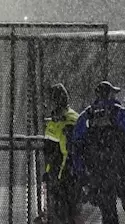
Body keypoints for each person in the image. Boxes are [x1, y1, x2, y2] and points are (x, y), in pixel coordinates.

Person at [72, 81, 125, 224]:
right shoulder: (117, 112)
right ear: (109, 94)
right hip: (122, 170)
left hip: (99, 174)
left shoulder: (87, 116)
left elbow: (76, 145)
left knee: (108, 214)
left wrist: (82, 173)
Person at [41, 84, 82, 224]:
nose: (47, 105)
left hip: (65, 176)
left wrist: (59, 176)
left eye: (49, 101)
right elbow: (53, 150)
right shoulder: (56, 120)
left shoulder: (68, 120)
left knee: (67, 214)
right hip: (57, 175)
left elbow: (67, 152)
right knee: (59, 214)